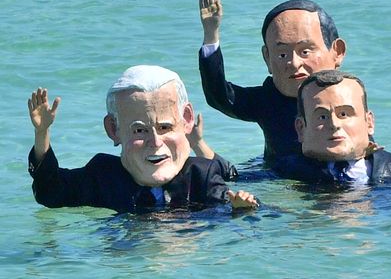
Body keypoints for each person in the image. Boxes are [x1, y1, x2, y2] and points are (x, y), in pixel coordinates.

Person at [28, 65, 258, 213]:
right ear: (114, 130)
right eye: (139, 131)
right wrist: (42, 133)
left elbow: (226, 206)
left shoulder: (201, 176)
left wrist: (241, 210)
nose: (155, 142)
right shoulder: (102, 176)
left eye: (165, 127)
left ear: (186, 120)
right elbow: (50, 193)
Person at [198, 0, 347, 161]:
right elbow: (220, 96)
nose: (294, 63)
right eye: (282, 55)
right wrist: (211, 35)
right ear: (267, 58)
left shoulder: (348, 95)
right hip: (278, 172)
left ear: (337, 52)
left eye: (305, 51)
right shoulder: (268, 100)